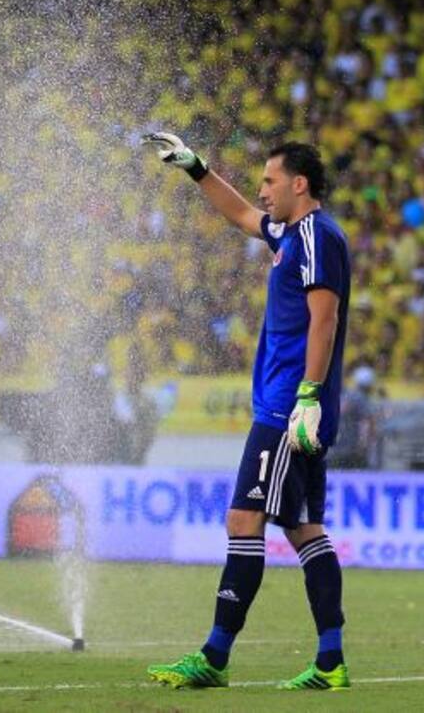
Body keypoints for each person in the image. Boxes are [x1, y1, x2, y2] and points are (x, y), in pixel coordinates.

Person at [142, 134, 353, 691]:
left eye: (269, 181)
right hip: (293, 403)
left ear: (298, 184)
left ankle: (214, 655)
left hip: (289, 407)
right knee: (305, 528)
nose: (261, 191)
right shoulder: (291, 233)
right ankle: (330, 662)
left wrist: (308, 393)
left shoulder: (316, 236)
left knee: (244, 520)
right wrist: (195, 168)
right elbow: (238, 213)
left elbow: (324, 317)